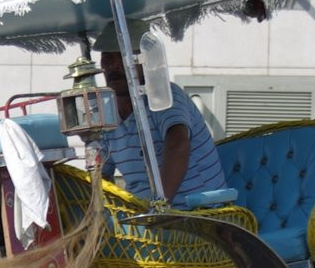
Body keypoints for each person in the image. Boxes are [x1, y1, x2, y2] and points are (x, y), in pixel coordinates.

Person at [95, 44, 228, 208]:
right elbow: (101, 174)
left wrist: (157, 208)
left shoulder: (163, 94)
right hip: (141, 220)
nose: (113, 65)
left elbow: (178, 145)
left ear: (144, 61)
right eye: (107, 58)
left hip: (197, 215)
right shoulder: (108, 114)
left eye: (123, 57)